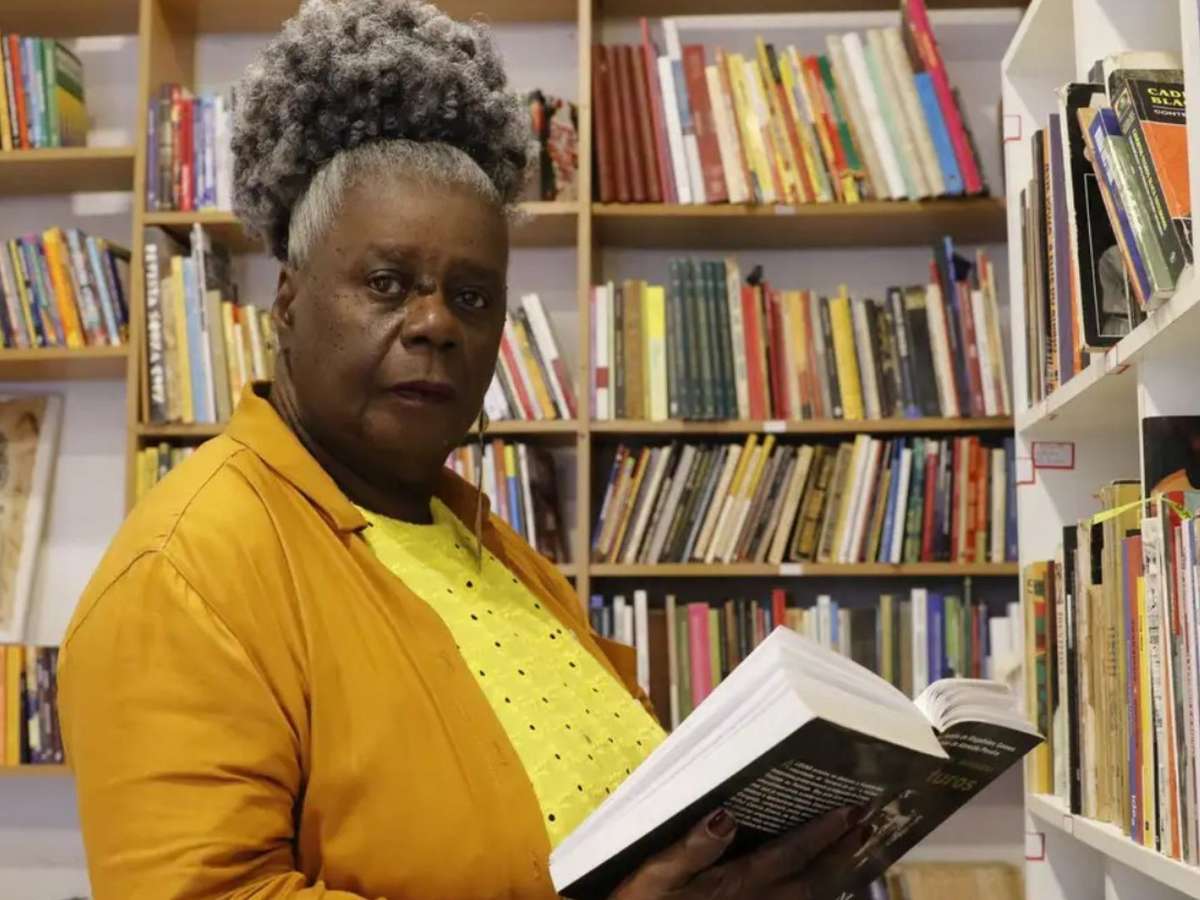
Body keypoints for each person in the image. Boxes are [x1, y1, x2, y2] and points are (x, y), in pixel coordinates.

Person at [58, 2, 864, 897]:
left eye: (473, 297)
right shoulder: (186, 572)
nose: (436, 324)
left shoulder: (499, 552)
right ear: (286, 301)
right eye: (388, 283)